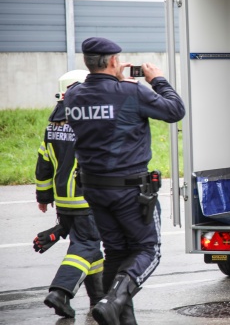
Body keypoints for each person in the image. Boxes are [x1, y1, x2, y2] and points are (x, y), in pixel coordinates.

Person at [64, 37, 185, 325]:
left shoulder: (72, 95)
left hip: (94, 188)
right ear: (114, 62)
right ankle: (112, 300)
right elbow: (174, 111)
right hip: (130, 190)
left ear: (86, 62)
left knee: (116, 252)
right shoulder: (130, 92)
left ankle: (115, 315)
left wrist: (118, 83)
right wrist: (158, 81)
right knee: (147, 250)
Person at [34, 69, 104, 319]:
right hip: (86, 198)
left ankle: (98, 298)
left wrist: (44, 196)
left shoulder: (52, 124)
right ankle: (60, 292)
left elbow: (44, 162)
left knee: (89, 248)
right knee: (86, 244)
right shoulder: (87, 120)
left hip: (64, 200)